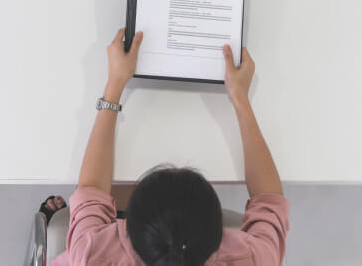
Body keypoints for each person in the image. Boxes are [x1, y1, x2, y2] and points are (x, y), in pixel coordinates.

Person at [51, 29, 289, 265]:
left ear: (126, 228)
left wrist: (114, 84)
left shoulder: (91, 253)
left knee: (115, 188)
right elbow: (269, 200)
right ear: (220, 235)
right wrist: (240, 99)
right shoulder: (253, 258)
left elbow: (92, 190)